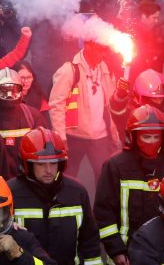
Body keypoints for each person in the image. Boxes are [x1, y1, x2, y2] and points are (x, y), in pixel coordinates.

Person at [94, 105, 164, 265]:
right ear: (133, 137)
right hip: (126, 257)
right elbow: (103, 212)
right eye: (146, 137)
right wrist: (116, 250)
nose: (151, 142)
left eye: (156, 137)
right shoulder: (115, 165)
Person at [8, 127, 104, 265]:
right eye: (41, 164)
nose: (48, 170)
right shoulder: (10, 193)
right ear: (27, 164)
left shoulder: (76, 192)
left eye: (53, 163)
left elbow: (90, 242)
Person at [48, 40, 120, 183]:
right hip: (74, 136)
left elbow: (111, 104)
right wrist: (60, 136)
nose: (103, 54)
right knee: (67, 178)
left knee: (105, 178)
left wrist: (115, 135)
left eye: (105, 50)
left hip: (101, 136)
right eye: (100, 50)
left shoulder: (105, 68)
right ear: (88, 46)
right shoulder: (69, 70)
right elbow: (56, 105)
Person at [0, 67, 47, 159]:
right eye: (4, 90)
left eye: (13, 89)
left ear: (20, 89)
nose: (9, 95)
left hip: (24, 168)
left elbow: (43, 151)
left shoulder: (33, 116)